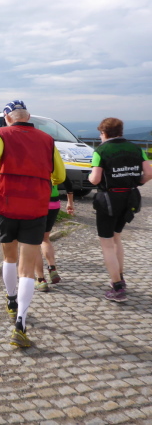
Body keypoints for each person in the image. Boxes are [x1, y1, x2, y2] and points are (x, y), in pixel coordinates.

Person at [0, 100, 66, 348]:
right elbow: (60, 175)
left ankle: (11, 300)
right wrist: (46, 179)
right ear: (28, 117)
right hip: (36, 205)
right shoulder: (47, 139)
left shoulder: (1, 134)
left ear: (8, 118)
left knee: (9, 257)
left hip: (7, 202)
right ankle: (20, 324)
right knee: (27, 268)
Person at [88, 117, 152, 302]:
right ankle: (119, 277)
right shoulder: (136, 149)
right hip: (130, 197)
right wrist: (137, 182)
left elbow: (95, 179)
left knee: (107, 243)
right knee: (117, 237)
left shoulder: (101, 151)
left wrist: (90, 176)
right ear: (121, 131)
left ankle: (117, 287)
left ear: (104, 133)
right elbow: (149, 173)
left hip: (108, 199)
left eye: (100, 134)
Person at [34, 179, 75, 292]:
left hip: (37, 202)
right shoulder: (55, 165)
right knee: (45, 238)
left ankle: (41, 279)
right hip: (53, 203)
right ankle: (52, 268)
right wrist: (70, 202)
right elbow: (67, 182)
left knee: (34, 243)